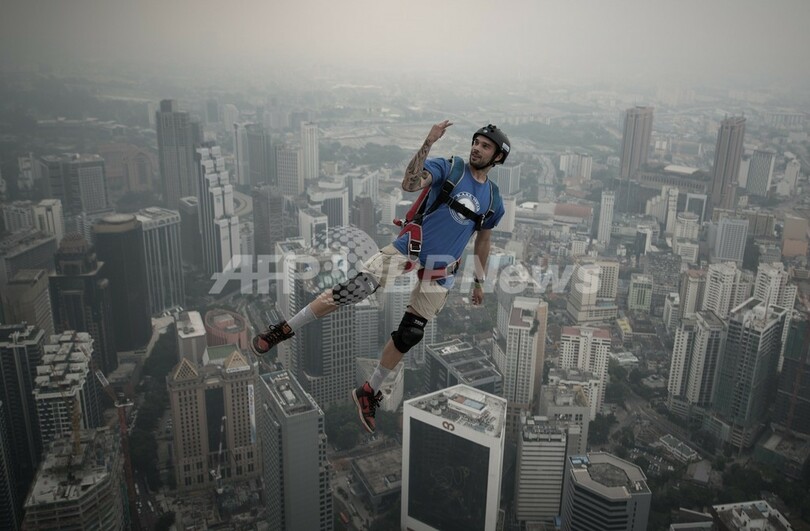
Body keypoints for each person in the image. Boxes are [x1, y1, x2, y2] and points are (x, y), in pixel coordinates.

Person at [252, 121, 509, 432]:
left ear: (497, 157)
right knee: (349, 292)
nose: (477, 148)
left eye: (485, 146)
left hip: (442, 268)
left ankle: (368, 391)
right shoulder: (451, 167)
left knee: (410, 334)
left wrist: (480, 281)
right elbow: (411, 183)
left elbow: (483, 239)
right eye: (476, 142)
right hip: (409, 249)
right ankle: (283, 329)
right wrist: (427, 142)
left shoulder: (493, 200)